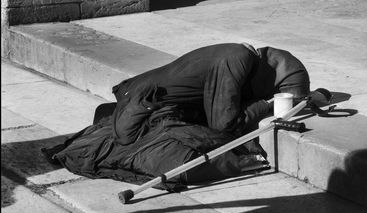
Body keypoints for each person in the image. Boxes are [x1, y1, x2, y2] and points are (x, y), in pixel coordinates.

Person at [42, 43, 310, 191]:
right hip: (142, 105)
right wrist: (265, 105)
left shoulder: (240, 58)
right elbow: (223, 123)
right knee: (175, 149)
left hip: (145, 100)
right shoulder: (238, 58)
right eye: (278, 90)